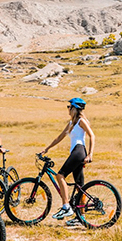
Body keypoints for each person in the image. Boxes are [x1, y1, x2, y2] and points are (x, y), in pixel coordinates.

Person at [40, 97, 95, 227]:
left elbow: (92, 135)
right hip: (75, 152)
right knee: (79, 186)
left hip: (79, 151)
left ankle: (66, 207)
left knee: (60, 175)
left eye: (69, 107)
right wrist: (47, 148)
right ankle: (80, 217)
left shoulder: (81, 121)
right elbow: (60, 137)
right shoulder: (71, 123)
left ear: (75, 108)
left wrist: (90, 154)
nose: (68, 109)